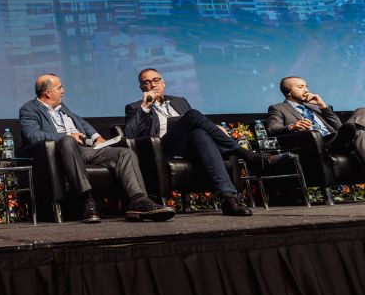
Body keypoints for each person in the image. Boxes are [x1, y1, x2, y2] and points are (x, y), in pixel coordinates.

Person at [124, 68, 289, 217]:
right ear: (142, 88)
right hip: (163, 149)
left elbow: (195, 125)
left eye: (156, 80)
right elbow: (130, 135)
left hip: (189, 146)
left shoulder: (179, 101)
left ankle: (228, 199)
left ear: (163, 82)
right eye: (147, 82)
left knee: (200, 134)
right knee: (192, 115)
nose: (152, 85)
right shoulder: (135, 107)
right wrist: (145, 106)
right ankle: (249, 156)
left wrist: (214, 128)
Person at [20, 74, 175, 223]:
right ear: (48, 93)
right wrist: (67, 135)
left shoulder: (61, 107)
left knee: (124, 153)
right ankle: (87, 201)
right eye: (59, 87)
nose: (63, 90)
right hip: (61, 152)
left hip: (86, 149)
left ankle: (139, 201)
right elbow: (33, 136)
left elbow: (80, 121)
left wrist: (96, 137)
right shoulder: (29, 110)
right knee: (67, 141)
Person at [267, 76, 365, 203]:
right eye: (301, 86)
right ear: (288, 91)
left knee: (363, 111)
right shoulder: (278, 108)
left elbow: (338, 126)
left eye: (306, 86)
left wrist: (323, 106)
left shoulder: (315, 107)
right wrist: (292, 127)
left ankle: (353, 130)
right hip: (321, 145)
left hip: (339, 138)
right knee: (359, 133)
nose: (306, 89)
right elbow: (272, 129)